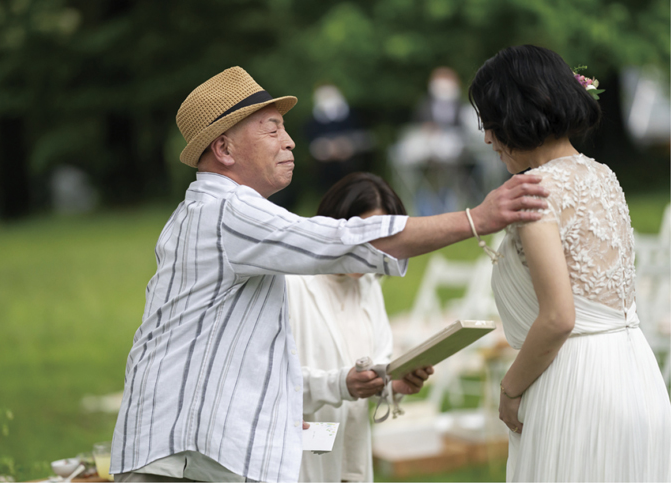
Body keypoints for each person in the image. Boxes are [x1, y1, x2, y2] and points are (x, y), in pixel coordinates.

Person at [109, 66, 550, 483]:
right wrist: (477, 218)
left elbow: (260, 367)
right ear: (224, 149)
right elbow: (339, 242)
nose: (291, 142)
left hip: (191, 457)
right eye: (272, 129)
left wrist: (366, 383)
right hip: (180, 461)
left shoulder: (223, 217)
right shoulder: (226, 210)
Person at [468, 45, 671, 481]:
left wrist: (509, 390)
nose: (487, 138)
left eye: (488, 121)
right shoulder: (603, 175)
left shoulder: (534, 191)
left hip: (575, 386)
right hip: (636, 374)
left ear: (513, 114)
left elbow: (559, 317)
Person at [287, 173, 434, 482]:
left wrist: (393, 386)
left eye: (383, 241)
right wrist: (342, 384)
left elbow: (369, 375)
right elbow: (271, 385)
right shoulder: (291, 283)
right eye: (364, 237)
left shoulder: (368, 287)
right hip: (297, 460)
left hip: (350, 457)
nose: (372, 251)